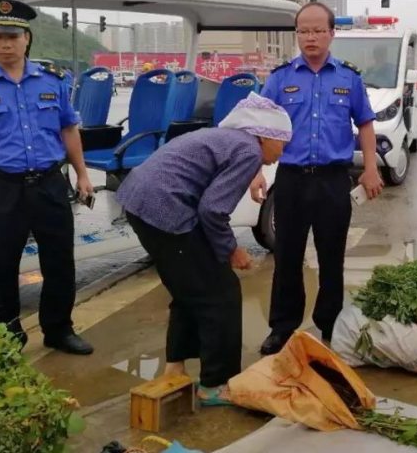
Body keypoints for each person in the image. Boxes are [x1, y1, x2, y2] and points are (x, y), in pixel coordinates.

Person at [116, 93, 293, 405]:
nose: (282, 153)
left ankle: (175, 367)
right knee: (220, 294)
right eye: (283, 143)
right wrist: (231, 250)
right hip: (165, 209)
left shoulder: (231, 139)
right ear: (266, 137)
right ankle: (215, 384)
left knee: (189, 290)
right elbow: (212, 210)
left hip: (138, 200)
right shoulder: (249, 150)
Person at [0, 0, 94, 355]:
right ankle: (7, 337)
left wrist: (83, 175)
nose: (5, 44)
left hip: (49, 184)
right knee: (1, 263)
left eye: (13, 36)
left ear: (27, 38)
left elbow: (69, 131)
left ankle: (59, 329)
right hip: (1, 188)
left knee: (59, 261)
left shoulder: (53, 81)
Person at [257, 2, 383, 356]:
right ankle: (282, 327)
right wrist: (255, 172)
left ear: (331, 33)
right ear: (297, 34)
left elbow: (366, 123)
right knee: (287, 256)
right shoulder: (281, 78)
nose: (310, 37)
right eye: (303, 31)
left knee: (332, 258)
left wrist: (370, 167)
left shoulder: (348, 77)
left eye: (317, 30)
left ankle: (331, 325)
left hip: (332, 181)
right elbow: (259, 127)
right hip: (292, 180)